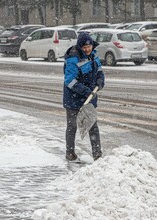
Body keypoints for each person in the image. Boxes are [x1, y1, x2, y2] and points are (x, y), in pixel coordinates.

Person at [63, 32, 105, 161]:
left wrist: (100, 81)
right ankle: (70, 152)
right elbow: (69, 80)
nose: (87, 49)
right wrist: (86, 91)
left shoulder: (94, 55)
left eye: (89, 46)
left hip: (89, 98)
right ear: (80, 47)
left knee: (93, 125)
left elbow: (99, 71)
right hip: (73, 98)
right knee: (72, 126)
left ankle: (97, 154)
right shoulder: (73, 58)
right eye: (84, 47)